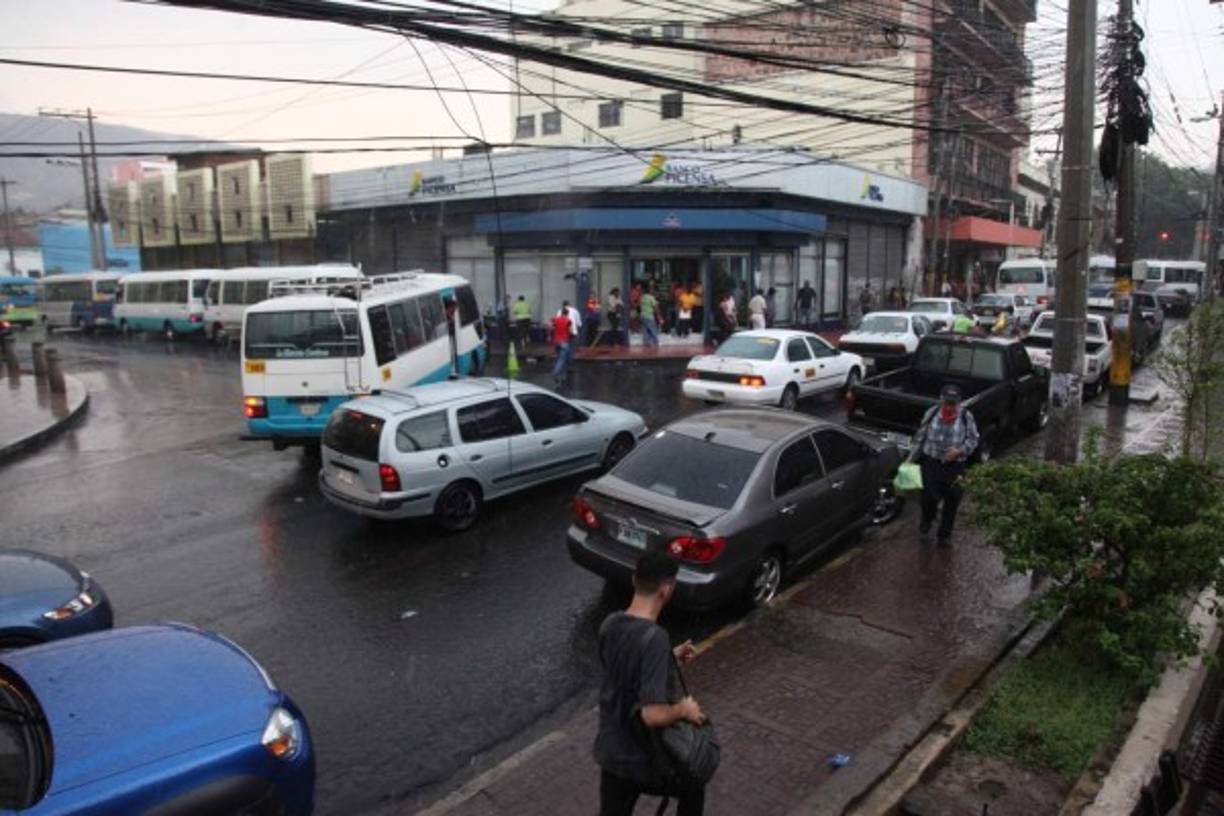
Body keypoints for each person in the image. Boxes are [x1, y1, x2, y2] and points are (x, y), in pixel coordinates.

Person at [594, 550, 706, 816]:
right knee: (694, 785)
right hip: (640, 758)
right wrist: (683, 710)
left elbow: (623, 670)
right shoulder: (655, 638)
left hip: (610, 751)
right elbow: (652, 714)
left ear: (635, 580)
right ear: (666, 591)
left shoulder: (610, 624)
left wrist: (668, 660)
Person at [908, 384, 979, 547]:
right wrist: (911, 457)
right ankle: (927, 518)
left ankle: (944, 535)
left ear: (959, 403)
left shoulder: (966, 417)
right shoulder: (931, 413)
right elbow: (920, 437)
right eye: (946, 402)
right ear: (940, 400)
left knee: (953, 499)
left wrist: (960, 451)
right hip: (931, 462)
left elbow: (974, 439)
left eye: (953, 403)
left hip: (955, 466)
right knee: (929, 497)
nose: (949, 407)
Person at [552, 302, 574, 386]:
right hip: (564, 342)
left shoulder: (556, 319)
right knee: (562, 359)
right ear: (567, 314)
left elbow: (551, 326)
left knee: (559, 358)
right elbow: (571, 331)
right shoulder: (568, 321)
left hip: (556, 341)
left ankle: (562, 375)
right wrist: (572, 335)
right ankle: (555, 373)